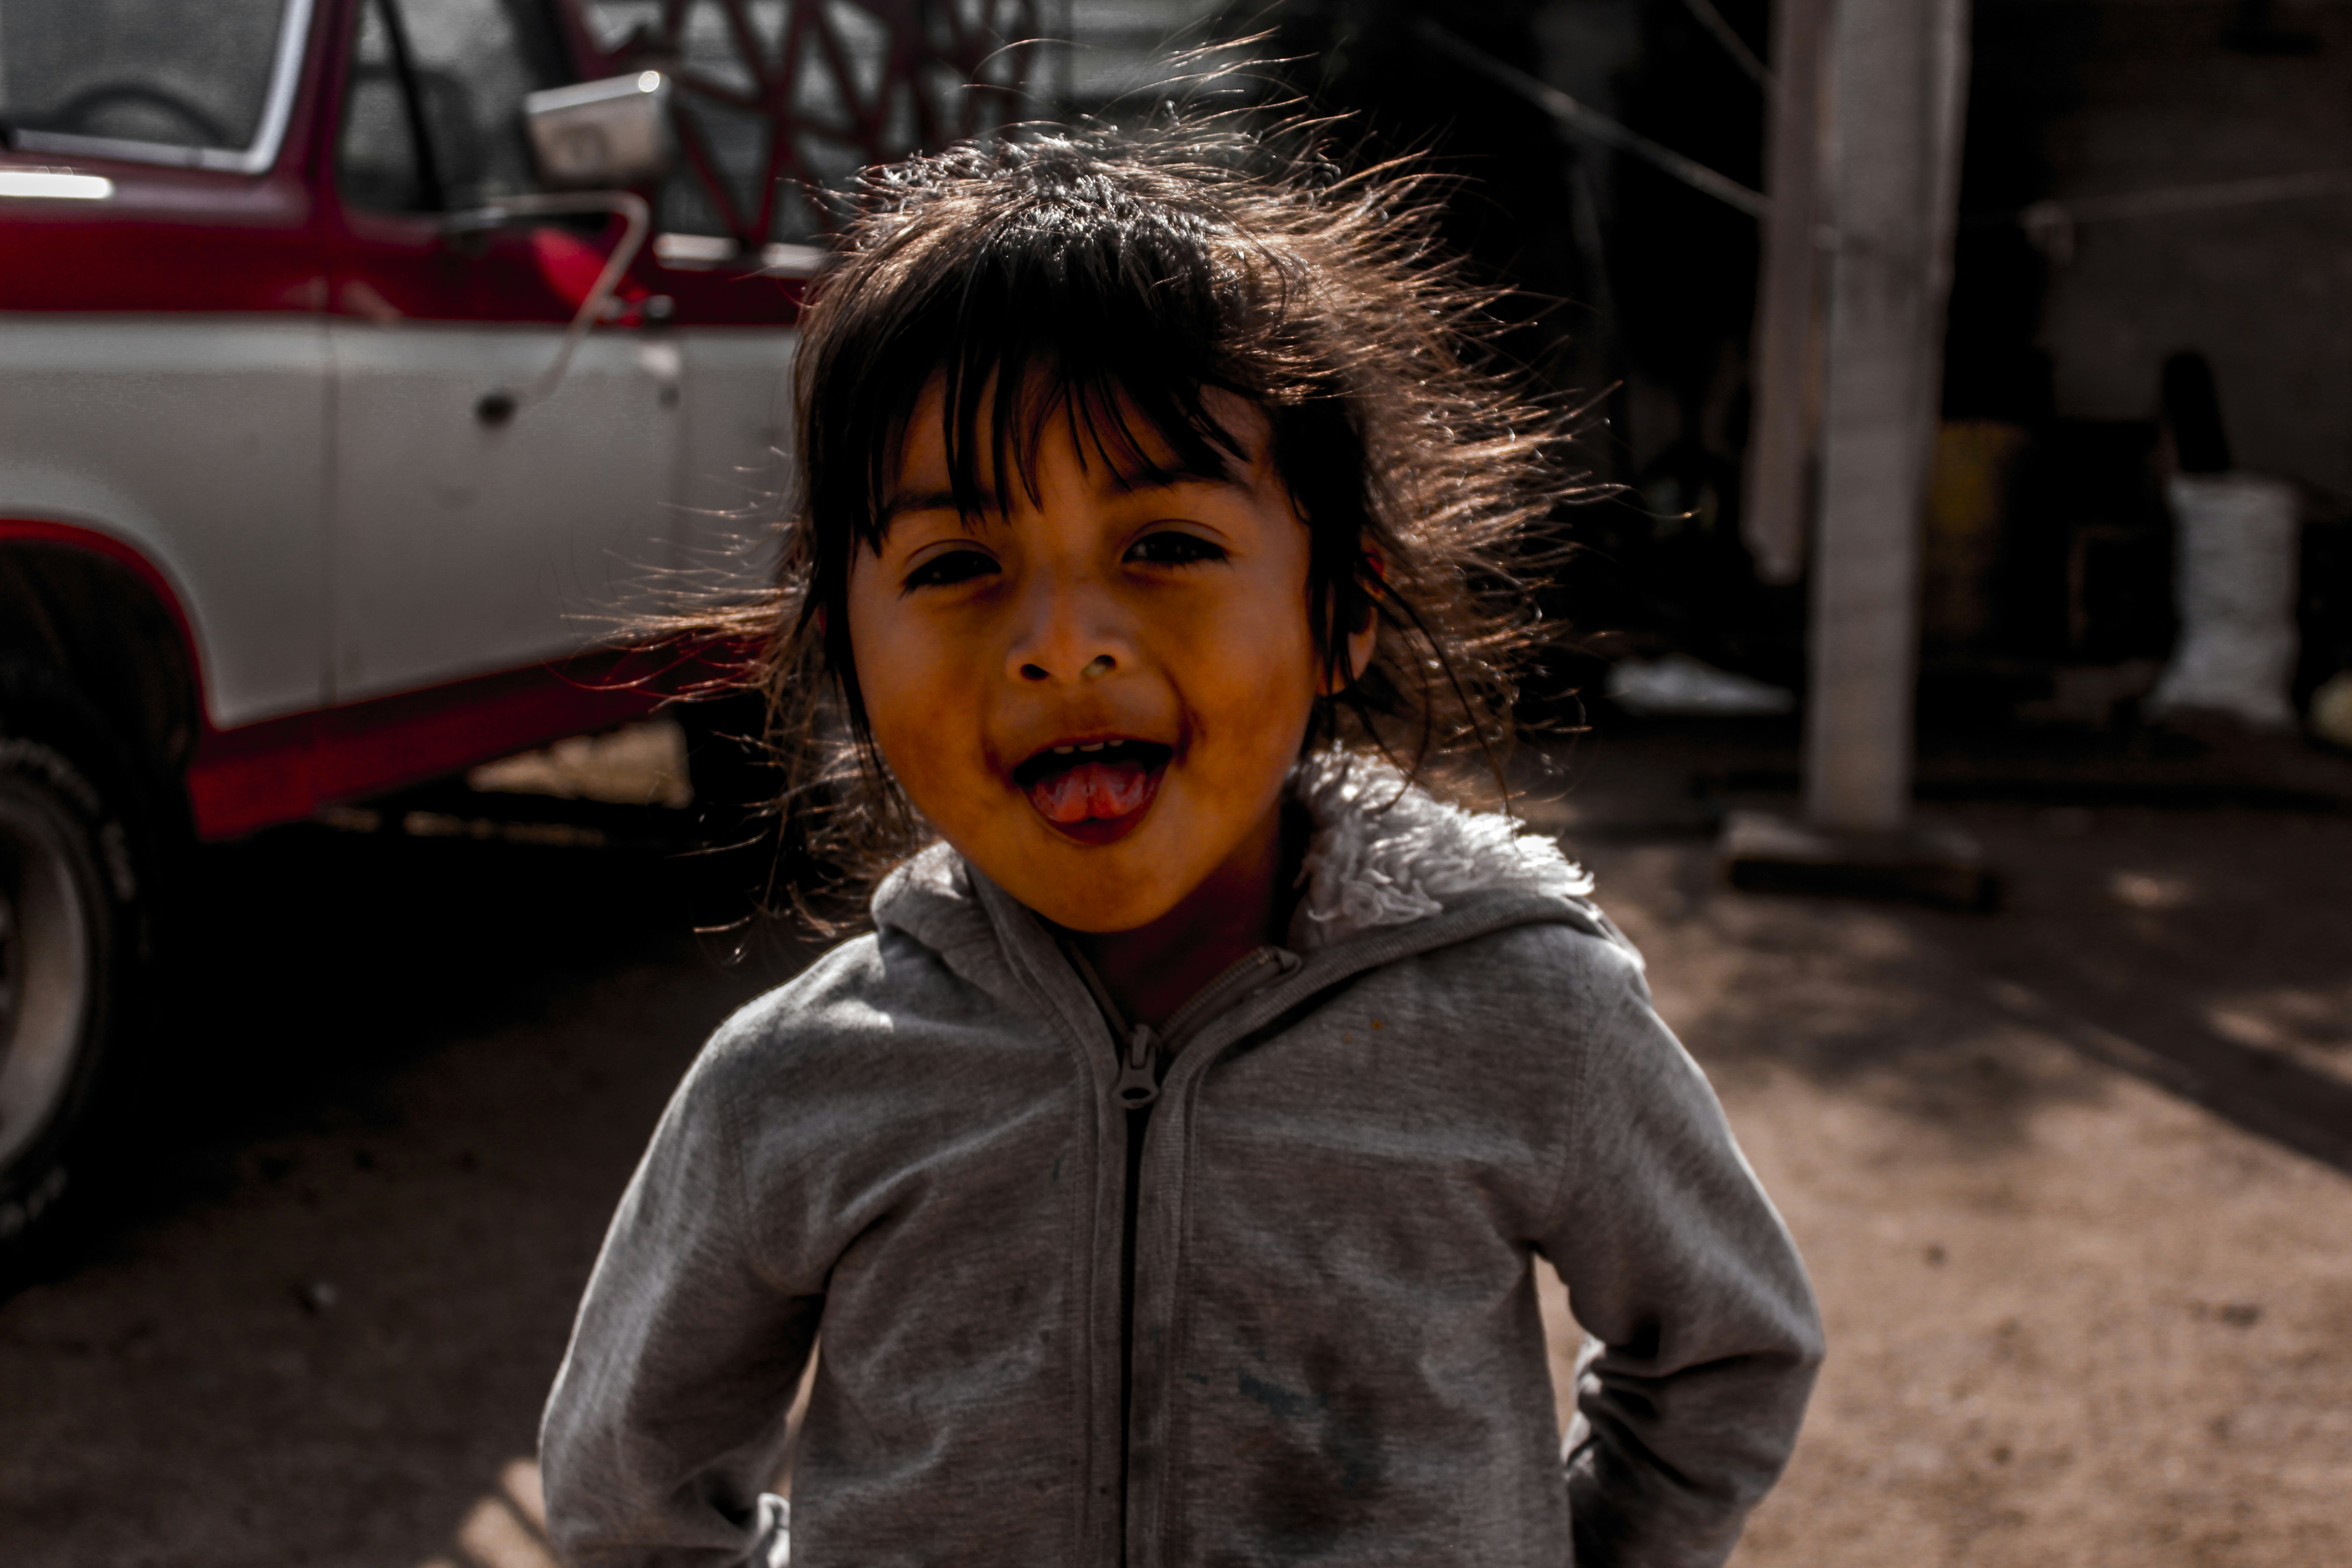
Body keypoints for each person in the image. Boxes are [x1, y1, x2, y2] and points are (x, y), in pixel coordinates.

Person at [539, 120, 1823, 1568]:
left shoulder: (1535, 1020)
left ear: (1339, 607)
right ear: (844, 651)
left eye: (1164, 545)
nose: (1065, 645)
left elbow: (1726, 1354)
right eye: (959, 567)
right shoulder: (795, 1087)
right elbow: (624, 1485)